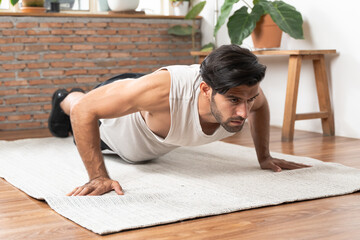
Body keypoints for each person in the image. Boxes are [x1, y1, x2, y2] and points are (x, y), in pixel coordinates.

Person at [48, 44, 310, 196]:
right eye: (234, 101)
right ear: (206, 89)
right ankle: (63, 96)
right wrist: (98, 177)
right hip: (116, 130)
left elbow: (260, 107)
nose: (244, 111)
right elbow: (85, 112)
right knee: (79, 103)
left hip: (153, 109)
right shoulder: (162, 91)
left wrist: (263, 156)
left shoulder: (243, 89)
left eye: (249, 100)